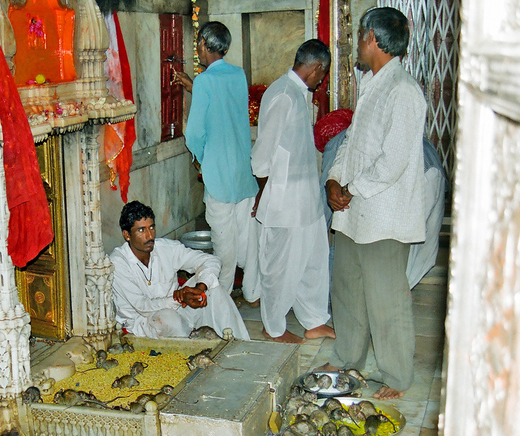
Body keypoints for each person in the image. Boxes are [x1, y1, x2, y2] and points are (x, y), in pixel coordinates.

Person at [321, 7, 427, 400]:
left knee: (387, 302)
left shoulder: (403, 90)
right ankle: (347, 356)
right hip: (353, 214)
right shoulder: (372, 83)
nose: (358, 45)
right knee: (347, 290)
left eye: (361, 37)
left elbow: (393, 161)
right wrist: (334, 178)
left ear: (372, 40)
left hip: (383, 215)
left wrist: (350, 190)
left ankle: (397, 376)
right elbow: (352, 143)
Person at [250, 39, 336, 344]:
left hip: (307, 201)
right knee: (280, 267)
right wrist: (264, 193)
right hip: (285, 202)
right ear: (316, 68)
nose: (321, 81)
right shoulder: (284, 95)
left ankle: (314, 320)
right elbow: (262, 155)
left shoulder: (299, 94)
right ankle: (273, 327)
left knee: (313, 261)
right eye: (322, 75)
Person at [172, 22, 260, 304]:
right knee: (248, 240)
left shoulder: (205, 81)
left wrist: (199, 159)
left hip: (219, 176)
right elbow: (224, 110)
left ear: (203, 45)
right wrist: (193, 86)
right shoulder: (238, 74)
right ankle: (254, 292)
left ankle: (221, 301)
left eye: (198, 43)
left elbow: (195, 133)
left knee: (223, 245)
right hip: (243, 174)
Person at [319, 123, 448, 289]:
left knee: (384, 258)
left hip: (407, 181)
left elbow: (325, 204)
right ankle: (400, 289)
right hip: (429, 174)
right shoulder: (385, 131)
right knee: (419, 250)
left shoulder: (336, 141)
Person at [109, 201, 250, 340]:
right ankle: (190, 354)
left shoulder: (164, 248)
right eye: (141, 230)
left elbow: (211, 260)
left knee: (213, 287)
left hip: (177, 307)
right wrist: (179, 298)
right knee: (167, 320)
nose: (149, 236)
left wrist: (200, 287)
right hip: (144, 321)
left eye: (151, 228)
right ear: (127, 235)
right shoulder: (118, 262)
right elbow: (142, 306)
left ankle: (236, 343)